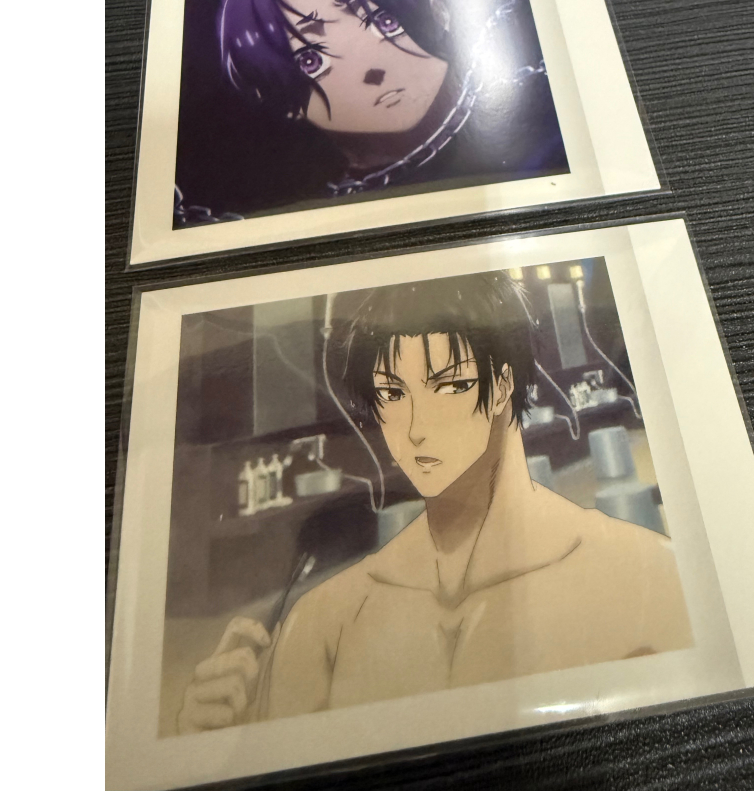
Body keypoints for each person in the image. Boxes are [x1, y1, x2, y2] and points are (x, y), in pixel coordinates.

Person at [177, 272, 690, 732]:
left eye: (450, 386)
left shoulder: (644, 574)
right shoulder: (325, 621)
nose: (417, 428)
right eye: (392, 393)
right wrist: (209, 745)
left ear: (503, 384)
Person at [174, 0, 568, 223]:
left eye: (384, 23)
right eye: (313, 60)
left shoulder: (549, 124)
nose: (373, 71)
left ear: (439, 11)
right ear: (281, 99)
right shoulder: (323, 212)